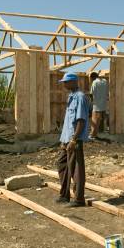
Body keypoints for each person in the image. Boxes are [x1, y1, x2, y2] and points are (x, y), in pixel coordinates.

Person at [55, 72, 90, 207]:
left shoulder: (80, 97)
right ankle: (64, 195)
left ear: (74, 82)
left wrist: (74, 140)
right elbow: (69, 122)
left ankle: (79, 199)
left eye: (66, 82)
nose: (64, 84)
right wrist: (64, 140)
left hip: (74, 140)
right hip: (67, 139)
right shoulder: (71, 97)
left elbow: (81, 120)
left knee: (76, 169)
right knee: (62, 164)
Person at [89, 72, 108, 139]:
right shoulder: (105, 81)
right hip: (104, 104)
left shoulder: (95, 82)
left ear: (92, 77)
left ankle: (92, 135)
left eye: (91, 79)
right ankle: (96, 134)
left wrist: (91, 101)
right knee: (99, 119)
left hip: (96, 104)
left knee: (94, 120)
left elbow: (91, 93)